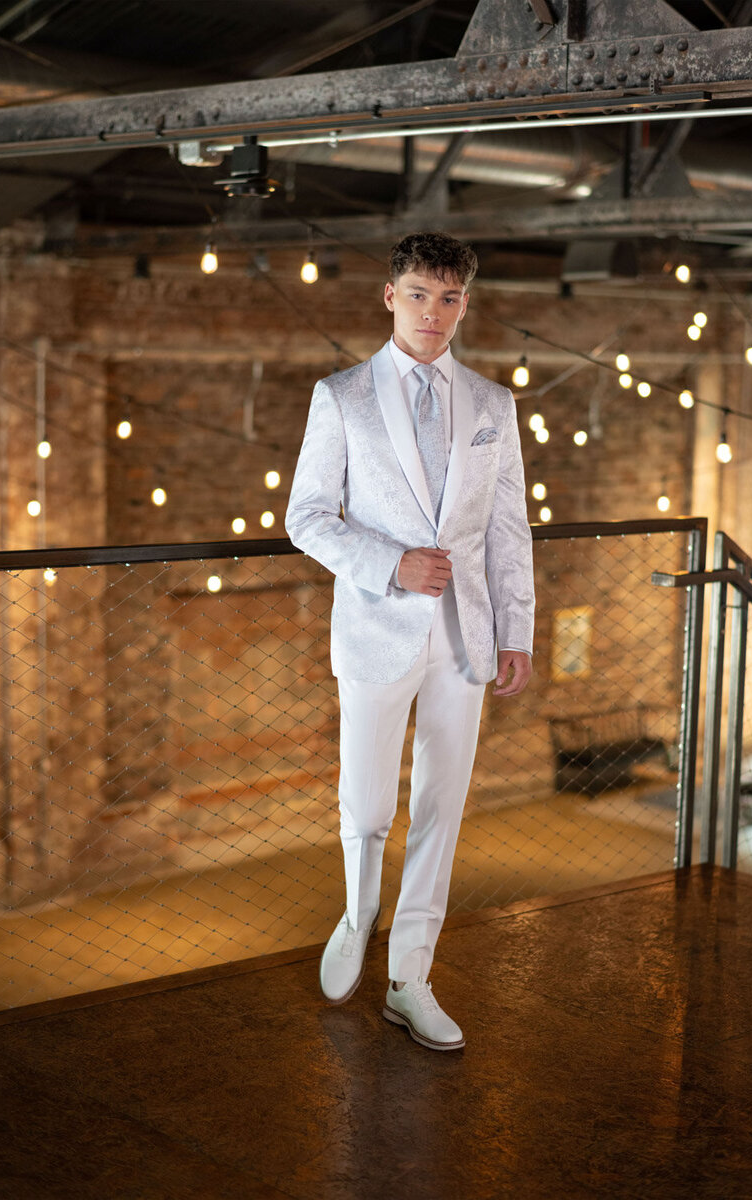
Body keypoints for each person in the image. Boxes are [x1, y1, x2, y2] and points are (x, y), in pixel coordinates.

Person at [285, 232, 534, 1051]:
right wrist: (393, 564)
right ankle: (359, 914)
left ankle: (410, 979)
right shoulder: (343, 396)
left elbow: (507, 531)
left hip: (466, 639)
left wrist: (516, 628)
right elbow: (308, 518)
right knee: (367, 802)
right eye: (421, 295)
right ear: (391, 296)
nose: (435, 312)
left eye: (451, 298)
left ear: (467, 302)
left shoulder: (495, 406)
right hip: (374, 627)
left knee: (442, 808)